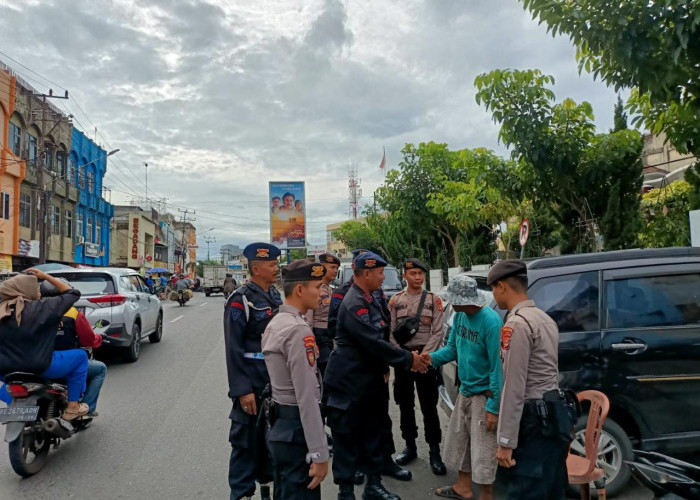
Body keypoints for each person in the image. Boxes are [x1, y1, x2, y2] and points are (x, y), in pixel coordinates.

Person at [324, 252, 430, 500]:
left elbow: (384, 335)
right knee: (348, 435)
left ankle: (373, 484)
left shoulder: (371, 297)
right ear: (367, 273)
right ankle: (346, 491)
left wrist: (389, 365)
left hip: (370, 377)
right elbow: (373, 342)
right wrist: (410, 360)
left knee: (374, 429)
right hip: (350, 380)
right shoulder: (354, 303)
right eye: (381, 273)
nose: (384, 277)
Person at [487, 260, 570, 500]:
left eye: (493, 288)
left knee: (526, 490)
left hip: (533, 420)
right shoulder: (544, 318)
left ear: (501, 286)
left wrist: (505, 440)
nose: (494, 294)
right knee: (551, 489)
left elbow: (514, 387)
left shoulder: (517, 324)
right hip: (553, 416)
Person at [426, 275, 503, 500]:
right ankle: (463, 487)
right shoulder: (459, 315)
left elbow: (497, 368)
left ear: (465, 299)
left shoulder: (490, 321)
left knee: (485, 448)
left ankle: (486, 495)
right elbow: (451, 349)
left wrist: (493, 406)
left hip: (483, 394)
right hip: (465, 390)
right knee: (462, 441)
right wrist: (428, 359)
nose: (453, 304)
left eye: (455, 300)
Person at [262, 260, 330, 499]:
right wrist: (320, 454)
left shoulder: (277, 323)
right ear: (300, 290)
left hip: (281, 428)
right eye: (318, 286)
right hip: (295, 429)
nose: (323, 293)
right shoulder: (298, 330)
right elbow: (307, 398)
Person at [224, 243, 283, 500]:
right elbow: (233, 349)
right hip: (252, 381)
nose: (276, 269)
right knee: (245, 442)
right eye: (272, 265)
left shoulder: (276, 296)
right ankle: (241, 493)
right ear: (256, 269)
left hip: (275, 380)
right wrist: (242, 389)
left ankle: (266, 487)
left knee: (271, 440)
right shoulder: (240, 300)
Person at [0, 270, 89, 420]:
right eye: (36, 288)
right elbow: (73, 293)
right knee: (81, 357)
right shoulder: (44, 307)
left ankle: (16, 408)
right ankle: (73, 407)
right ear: (26, 290)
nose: (39, 291)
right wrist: (46, 277)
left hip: (5, 371)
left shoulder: (2, 310)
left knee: (6, 389)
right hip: (41, 366)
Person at [388, 258, 446, 476]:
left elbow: (438, 332)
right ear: (405, 275)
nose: (418, 277)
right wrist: (406, 357)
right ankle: (410, 447)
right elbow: (391, 333)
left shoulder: (434, 300)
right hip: (404, 359)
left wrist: (422, 357)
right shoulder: (395, 301)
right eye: (413, 273)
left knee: (430, 406)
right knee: (405, 404)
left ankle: (434, 451)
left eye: (421, 273)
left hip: (425, 360)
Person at [40, 279, 107, 417]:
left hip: (32, 363)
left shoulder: (31, 310)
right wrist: (98, 338)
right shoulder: (72, 313)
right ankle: (86, 409)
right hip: (63, 363)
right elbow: (88, 340)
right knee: (100, 369)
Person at [305, 253, 340, 377]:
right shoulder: (315, 288)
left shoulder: (331, 290)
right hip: (318, 336)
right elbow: (308, 319)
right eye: (332, 267)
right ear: (322, 268)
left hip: (330, 336)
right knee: (324, 371)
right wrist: (311, 343)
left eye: (337, 268)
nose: (335, 271)